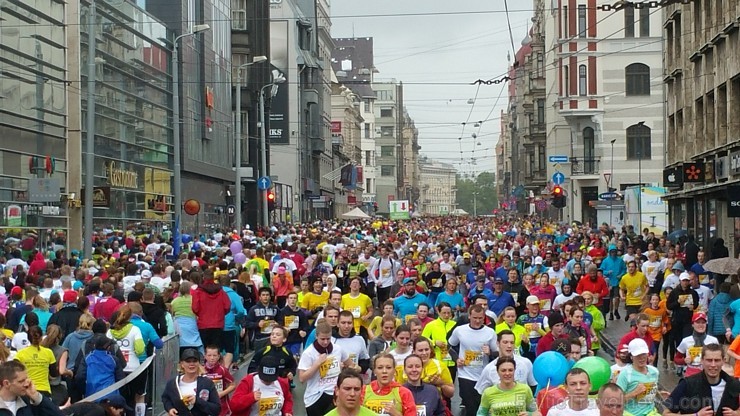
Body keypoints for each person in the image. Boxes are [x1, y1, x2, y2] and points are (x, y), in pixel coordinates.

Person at [663, 344, 740, 416]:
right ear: (702, 361)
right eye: (709, 360)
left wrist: (736, 413)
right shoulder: (687, 384)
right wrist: (696, 415)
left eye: (717, 360)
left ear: (723, 361)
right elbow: (666, 413)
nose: (713, 365)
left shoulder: (734, 384)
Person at [449, 304, 498, 416]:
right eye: (475, 318)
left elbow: (498, 353)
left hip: (483, 375)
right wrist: (456, 359)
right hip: (465, 374)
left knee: (482, 406)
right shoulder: (460, 330)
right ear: (469, 316)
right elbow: (450, 346)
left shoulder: (490, 332)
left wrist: (490, 352)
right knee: (469, 406)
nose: (477, 321)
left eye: (480, 318)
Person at [298, 321, 351, 416]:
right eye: (322, 339)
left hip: (334, 394)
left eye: (328, 339)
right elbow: (302, 378)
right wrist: (317, 364)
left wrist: (343, 368)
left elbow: (351, 365)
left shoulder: (337, 349)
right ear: (316, 336)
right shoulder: (309, 353)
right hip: (315, 396)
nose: (326, 342)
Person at [162, 348, 221, 416]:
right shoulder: (173, 383)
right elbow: (165, 398)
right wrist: (170, 408)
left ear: (199, 363)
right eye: (188, 361)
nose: (191, 364)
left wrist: (197, 401)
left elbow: (216, 409)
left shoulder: (207, 383)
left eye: (194, 361)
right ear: (182, 364)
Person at [475, 330, 537, 395]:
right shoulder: (489, 368)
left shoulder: (525, 363)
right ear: (498, 344)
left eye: (512, 342)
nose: (509, 346)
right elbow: (480, 392)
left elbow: (533, 385)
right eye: (505, 342)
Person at [229, 355, 294, 416]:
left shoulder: (282, 383)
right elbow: (233, 405)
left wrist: (287, 411)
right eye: (265, 378)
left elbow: (287, 399)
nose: (268, 381)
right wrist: (250, 397)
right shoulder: (249, 382)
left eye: (271, 379)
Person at [0, 360, 65, 416]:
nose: (26, 384)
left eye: (26, 379)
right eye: (21, 381)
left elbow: (57, 414)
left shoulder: (29, 401)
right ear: (6, 383)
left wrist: (36, 396)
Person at [615, 339, 660, 416]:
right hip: (631, 414)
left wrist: (659, 394)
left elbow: (649, 392)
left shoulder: (654, 371)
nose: (641, 358)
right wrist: (634, 393)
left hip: (651, 413)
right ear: (631, 356)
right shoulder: (625, 374)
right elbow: (616, 401)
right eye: (638, 355)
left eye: (644, 354)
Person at [14, 326, 58, 397]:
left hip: (26, 390)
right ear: (41, 337)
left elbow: (15, 373)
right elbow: (54, 374)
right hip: (44, 391)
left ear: (28, 338)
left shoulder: (20, 354)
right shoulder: (48, 352)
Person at [675, 312, 719, 377]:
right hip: (691, 375)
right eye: (698, 322)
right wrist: (684, 360)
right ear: (693, 324)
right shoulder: (686, 341)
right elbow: (676, 359)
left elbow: (719, 358)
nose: (701, 325)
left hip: (709, 375)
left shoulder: (713, 340)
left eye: (703, 323)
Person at [421, 302, 457, 380]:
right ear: (438, 312)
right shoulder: (431, 325)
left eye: (448, 313)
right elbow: (423, 339)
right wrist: (434, 342)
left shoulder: (455, 325)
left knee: (450, 386)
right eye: (444, 313)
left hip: (452, 361)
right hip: (437, 361)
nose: (447, 315)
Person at [246, 287, 281, 353]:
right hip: (259, 339)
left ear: (270, 297)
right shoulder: (253, 309)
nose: (265, 297)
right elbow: (247, 323)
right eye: (263, 295)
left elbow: (281, 321)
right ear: (259, 297)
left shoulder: (275, 309)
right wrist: (257, 324)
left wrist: (277, 324)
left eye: (267, 295)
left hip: (273, 338)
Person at [203, 345, 235, 416]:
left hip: (221, 406)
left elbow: (233, 385)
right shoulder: (201, 370)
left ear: (218, 356)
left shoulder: (222, 370)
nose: (212, 358)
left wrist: (222, 393)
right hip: (206, 405)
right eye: (209, 355)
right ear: (205, 356)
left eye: (214, 355)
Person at [517, 295, 548, 361]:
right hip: (526, 349)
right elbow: (517, 332)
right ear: (527, 305)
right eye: (533, 305)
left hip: (539, 349)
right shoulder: (522, 319)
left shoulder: (543, 318)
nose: (535, 307)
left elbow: (549, 336)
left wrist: (539, 330)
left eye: (537, 305)